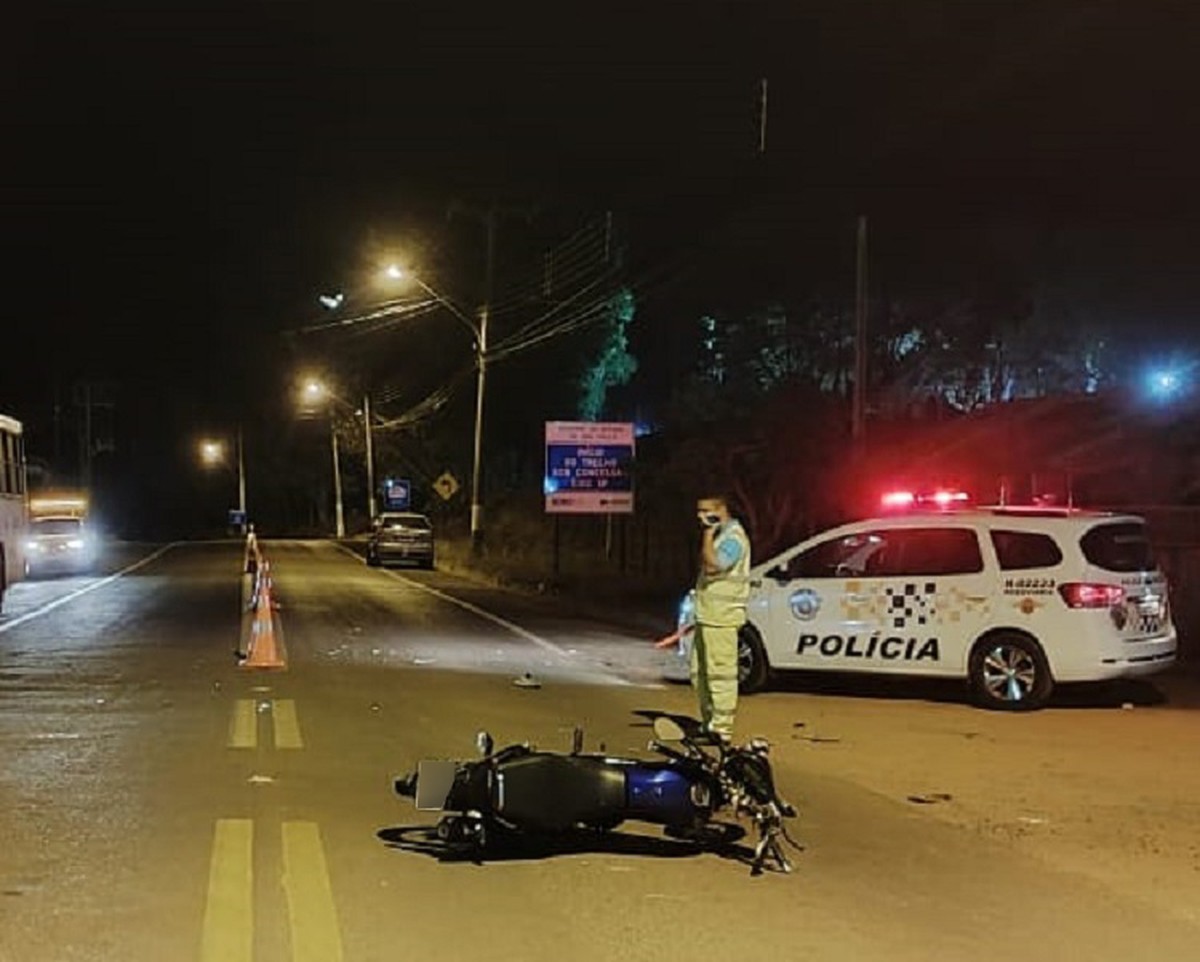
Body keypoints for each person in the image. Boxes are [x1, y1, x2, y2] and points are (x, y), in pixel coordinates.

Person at [691, 492, 751, 739]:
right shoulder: (722, 536)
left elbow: (714, 565)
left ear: (721, 509)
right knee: (701, 673)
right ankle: (710, 723)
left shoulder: (733, 539)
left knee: (721, 674)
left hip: (722, 618)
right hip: (708, 615)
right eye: (699, 511)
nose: (701, 516)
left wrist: (706, 534)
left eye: (706, 511)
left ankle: (722, 728)